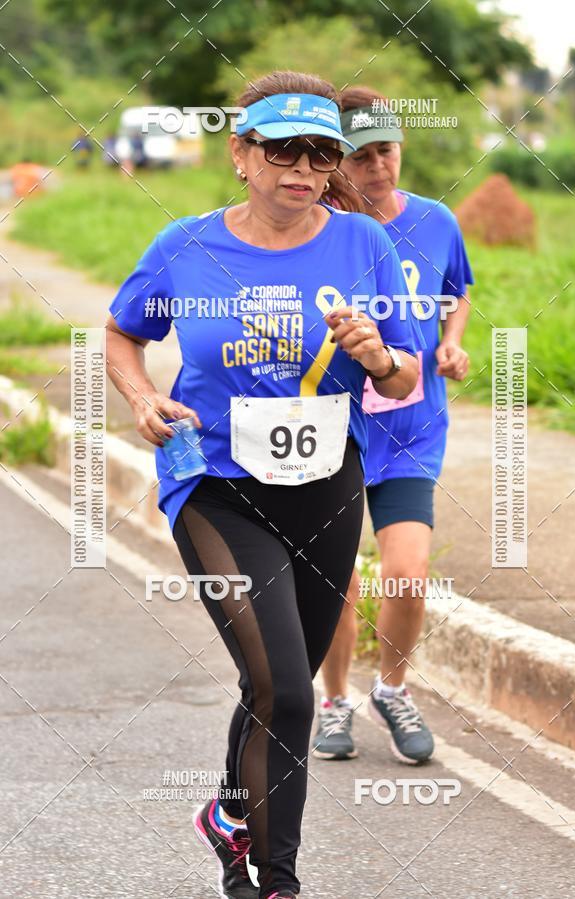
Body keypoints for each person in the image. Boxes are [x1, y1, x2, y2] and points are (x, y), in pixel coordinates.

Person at [105, 71, 424, 899]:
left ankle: (227, 810)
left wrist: (376, 356)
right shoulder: (184, 244)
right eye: (282, 149)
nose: (303, 169)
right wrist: (143, 398)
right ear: (239, 153)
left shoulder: (365, 246)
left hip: (325, 488)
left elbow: (402, 376)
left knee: (276, 686)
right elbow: (121, 331)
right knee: (285, 683)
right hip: (215, 487)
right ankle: (269, 877)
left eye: (321, 154)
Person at [313, 85, 473, 766]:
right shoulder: (317, 231)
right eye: (362, 156)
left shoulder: (437, 220)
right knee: (338, 580)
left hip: (411, 427)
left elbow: (457, 290)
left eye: (388, 151)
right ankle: (334, 701)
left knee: (406, 576)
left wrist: (451, 341)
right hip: (338, 431)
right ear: (337, 163)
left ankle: (393, 687)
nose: (379, 166)